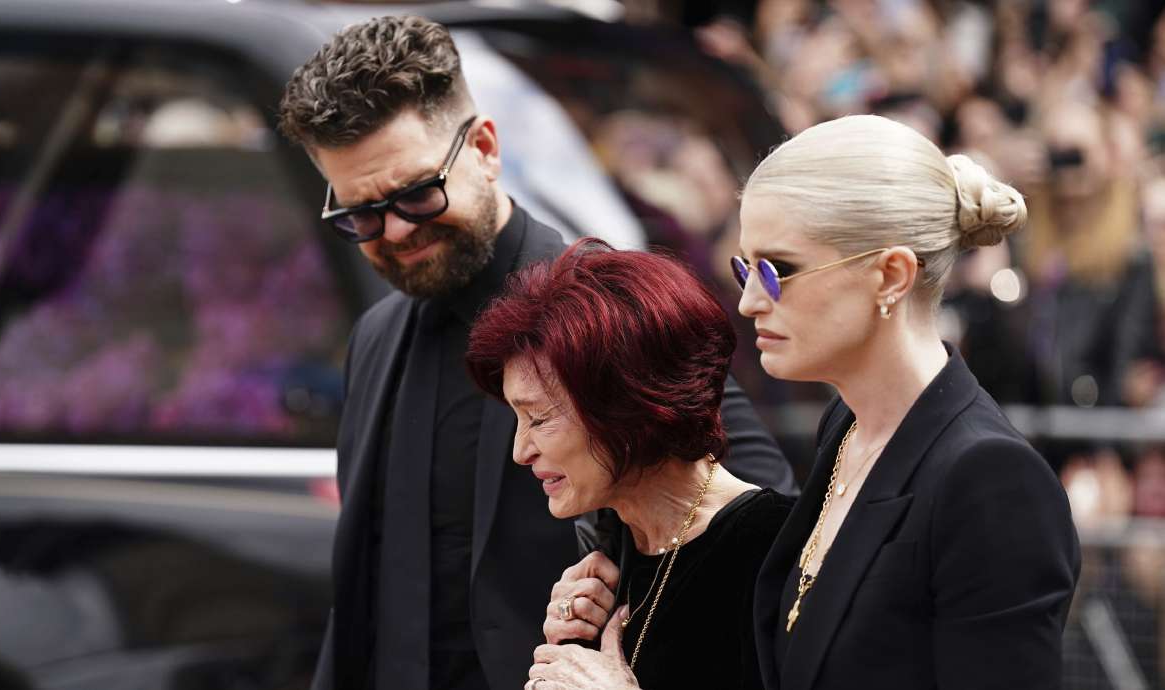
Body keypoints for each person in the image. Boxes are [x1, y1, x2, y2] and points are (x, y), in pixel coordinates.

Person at [275, 16, 796, 690]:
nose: (396, 229)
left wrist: (633, 628)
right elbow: (365, 598)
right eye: (361, 215)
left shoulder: (603, 310)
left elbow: (756, 529)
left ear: (486, 148)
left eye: (415, 193)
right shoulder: (377, 335)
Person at [529, 114, 1081, 690]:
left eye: (776, 270)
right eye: (747, 267)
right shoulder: (846, 427)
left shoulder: (990, 479)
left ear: (890, 275)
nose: (748, 301)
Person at [466, 240, 793, 690]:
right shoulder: (607, 546)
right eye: (517, 419)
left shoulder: (778, 550)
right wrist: (569, 647)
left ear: (628, 406)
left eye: (539, 418)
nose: (522, 451)